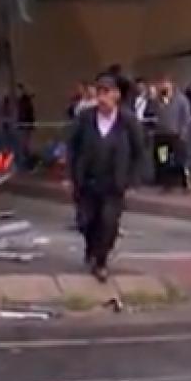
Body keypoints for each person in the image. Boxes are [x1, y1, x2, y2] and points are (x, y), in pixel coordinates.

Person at [66, 73, 145, 282]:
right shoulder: (85, 118)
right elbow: (72, 146)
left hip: (114, 183)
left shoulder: (127, 121)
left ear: (116, 96)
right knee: (86, 221)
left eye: (107, 93)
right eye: (99, 93)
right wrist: (70, 175)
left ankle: (101, 261)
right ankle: (91, 247)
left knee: (108, 222)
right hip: (88, 181)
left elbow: (139, 151)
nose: (102, 98)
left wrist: (133, 180)